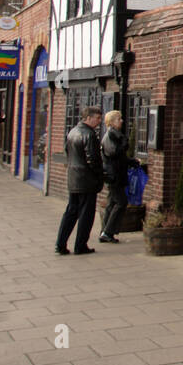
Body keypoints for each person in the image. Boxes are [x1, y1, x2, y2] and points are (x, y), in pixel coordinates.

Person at [55, 107, 104, 255]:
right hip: (86, 180)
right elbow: (93, 159)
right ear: (88, 118)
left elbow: (67, 152)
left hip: (73, 178)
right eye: (97, 118)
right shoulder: (89, 135)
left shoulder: (72, 132)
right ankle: (81, 245)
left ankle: (60, 243)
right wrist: (100, 175)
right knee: (86, 214)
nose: (99, 121)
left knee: (71, 212)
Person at [98, 110, 133, 243]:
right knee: (121, 202)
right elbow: (114, 154)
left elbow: (119, 157)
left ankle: (105, 231)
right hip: (114, 175)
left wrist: (131, 162)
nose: (122, 121)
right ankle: (107, 231)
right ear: (112, 122)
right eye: (119, 119)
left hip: (115, 173)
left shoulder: (114, 135)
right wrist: (124, 143)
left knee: (112, 203)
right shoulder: (110, 136)